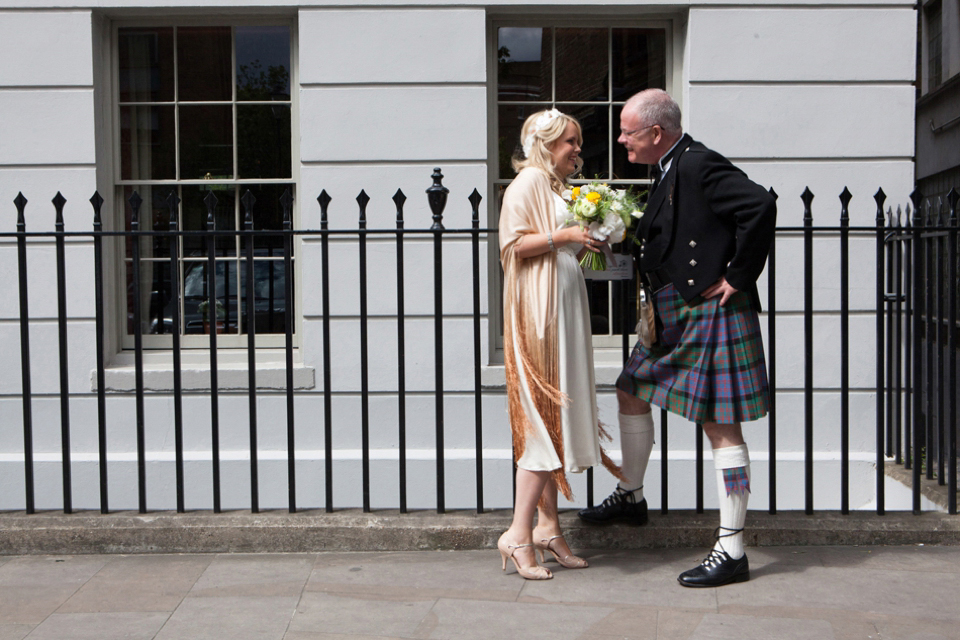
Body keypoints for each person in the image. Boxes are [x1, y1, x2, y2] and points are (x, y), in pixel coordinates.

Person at [577, 89, 776, 588]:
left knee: (720, 426)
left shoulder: (696, 163)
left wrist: (739, 276)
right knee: (629, 389)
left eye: (627, 131)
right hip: (670, 312)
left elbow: (759, 206)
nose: (620, 139)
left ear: (655, 133)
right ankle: (633, 495)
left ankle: (732, 549)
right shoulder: (667, 168)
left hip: (709, 309)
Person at [498, 108, 623, 580]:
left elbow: (561, 241)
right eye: (570, 141)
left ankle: (548, 528)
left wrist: (594, 236)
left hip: (563, 303)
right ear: (546, 144)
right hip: (539, 310)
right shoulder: (528, 182)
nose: (577, 149)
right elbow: (512, 246)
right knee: (541, 421)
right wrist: (565, 235)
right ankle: (516, 533)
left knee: (556, 418)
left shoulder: (555, 188)